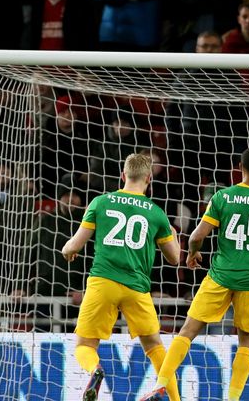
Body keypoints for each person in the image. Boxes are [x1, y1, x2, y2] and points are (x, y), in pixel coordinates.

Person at [140, 147, 249, 401]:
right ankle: (233, 399)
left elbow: (196, 237)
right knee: (247, 341)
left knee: (188, 330)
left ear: (240, 168)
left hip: (220, 276)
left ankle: (160, 385)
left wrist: (192, 253)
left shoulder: (224, 196)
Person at [61, 153, 182, 401]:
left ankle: (95, 370)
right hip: (136, 288)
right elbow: (175, 258)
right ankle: (174, 399)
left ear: (122, 175)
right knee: (155, 347)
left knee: (84, 345)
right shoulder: (156, 213)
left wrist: (67, 251)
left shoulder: (100, 203)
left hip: (102, 283)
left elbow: (73, 246)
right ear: (149, 178)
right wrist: (173, 233)